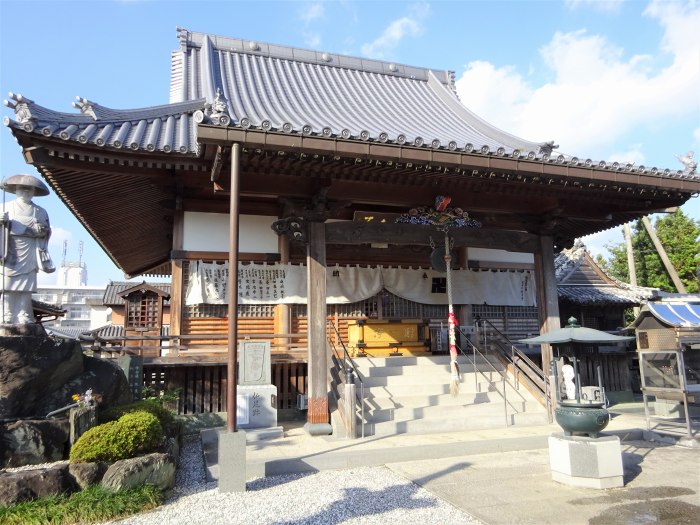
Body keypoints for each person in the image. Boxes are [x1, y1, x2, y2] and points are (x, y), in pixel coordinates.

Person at [0, 174, 54, 324]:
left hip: (30, 248)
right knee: (7, 284)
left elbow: (46, 230)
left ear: (34, 192)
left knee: (26, 286)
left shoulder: (40, 211)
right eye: (22, 189)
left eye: (29, 189)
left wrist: (40, 230)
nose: (26, 192)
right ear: (15, 190)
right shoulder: (5, 207)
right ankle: (6, 313)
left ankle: (24, 313)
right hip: (10, 248)